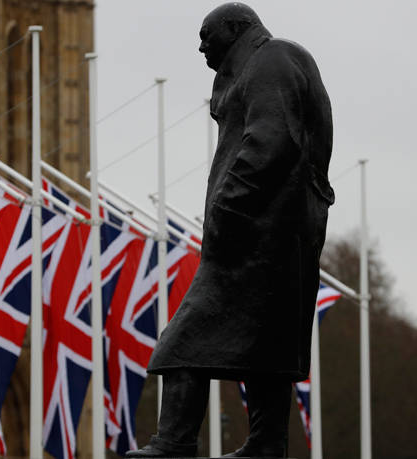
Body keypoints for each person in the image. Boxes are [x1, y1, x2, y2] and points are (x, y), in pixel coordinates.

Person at [126, 3, 334, 457]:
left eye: (207, 35)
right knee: (267, 346)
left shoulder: (271, 60)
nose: (200, 46)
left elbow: (272, 140)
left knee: (182, 341)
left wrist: (227, 206)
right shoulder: (258, 65)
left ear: (237, 29)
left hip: (258, 232)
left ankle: (175, 441)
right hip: (271, 232)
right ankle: (266, 444)